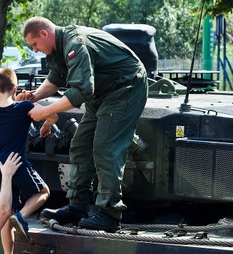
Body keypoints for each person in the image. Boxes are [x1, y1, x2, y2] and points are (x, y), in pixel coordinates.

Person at [18, 16, 148, 232]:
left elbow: (81, 91)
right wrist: (34, 96)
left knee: (105, 146)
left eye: (34, 44)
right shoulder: (57, 48)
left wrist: (45, 112)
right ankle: (77, 206)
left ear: (44, 34)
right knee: (80, 145)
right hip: (103, 93)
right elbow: (56, 79)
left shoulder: (74, 43)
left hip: (126, 87)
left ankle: (109, 213)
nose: (35, 50)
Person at [0, 66, 53, 254]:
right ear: (15, 87)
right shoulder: (24, 107)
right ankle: (22, 216)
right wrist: (42, 121)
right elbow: (54, 116)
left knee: (5, 211)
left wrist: (18, 98)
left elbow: (4, 103)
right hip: (18, 164)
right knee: (43, 192)